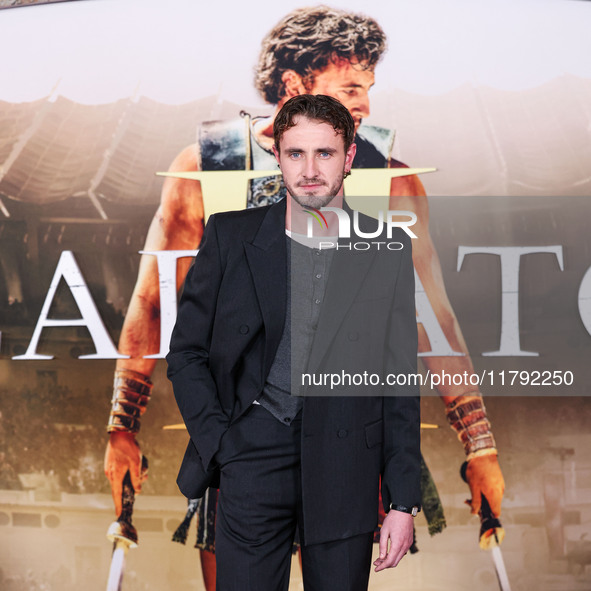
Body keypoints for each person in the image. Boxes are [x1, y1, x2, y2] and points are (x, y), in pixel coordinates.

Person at [104, 5, 504, 587]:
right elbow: (155, 309)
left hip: (345, 445)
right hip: (247, 449)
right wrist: (128, 427)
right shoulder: (204, 169)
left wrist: (479, 442)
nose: (365, 101)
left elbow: (428, 322)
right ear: (295, 85)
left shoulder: (392, 178)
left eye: (368, 87)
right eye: (349, 85)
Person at [167, 93, 421, 590]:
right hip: (251, 457)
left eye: (324, 153)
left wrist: (403, 501)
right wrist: (222, 445)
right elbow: (187, 353)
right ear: (277, 157)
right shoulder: (228, 236)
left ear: (348, 158)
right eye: (295, 153)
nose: (309, 169)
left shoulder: (386, 251)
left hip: (346, 464)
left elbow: (399, 384)